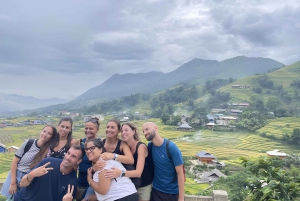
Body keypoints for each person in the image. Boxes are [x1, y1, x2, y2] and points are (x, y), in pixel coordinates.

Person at [82, 119, 134, 201]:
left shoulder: (122, 144)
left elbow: (130, 160)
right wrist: (95, 167)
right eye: (108, 127)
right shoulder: (102, 142)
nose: (109, 129)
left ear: (118, 131)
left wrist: (113, 155)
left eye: (112, 127)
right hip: (103, 179)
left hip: (119, 179)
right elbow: (95, 160)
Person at [0, 126, 57, 198]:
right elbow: (14, 162)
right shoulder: (28, 143)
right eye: (44, 131)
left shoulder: (48, 152)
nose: (45, 134)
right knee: (10, 199)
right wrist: (13, 183)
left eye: (49, 133)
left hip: (29, 181)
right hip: (15, 176)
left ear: (52, 137)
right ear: (41, 131)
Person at [14, 145, 84, 201]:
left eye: (73, 156)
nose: (68, 157)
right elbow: (22, 184)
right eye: (68, 153)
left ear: (78, 161)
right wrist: (32, 174)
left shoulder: (72, 183)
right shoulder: (47, 162)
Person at [104, 122, 153, 201]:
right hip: (130, 185)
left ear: (133, 132)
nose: (123, 133)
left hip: (143, 186)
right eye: (122, 131)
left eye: (126, 130)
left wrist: (120, 173)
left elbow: (138, 173)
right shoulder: (123, 146)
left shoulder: (141, 147)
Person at [142, 122, 184, 201]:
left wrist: (181, 198)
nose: (145, 133)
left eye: (147, 129)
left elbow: (180, 173)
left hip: (172, 192)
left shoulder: (171, 147)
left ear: (156, 128)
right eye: (143, 131)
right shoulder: (150, 146)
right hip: (156, 191)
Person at [76, 117, 101, 201]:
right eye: (86, 128)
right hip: (80, 181)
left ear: (97, 130)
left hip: (94, 182)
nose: (88, 130)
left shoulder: (101, 143)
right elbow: (75, 164)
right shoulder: (80, 142)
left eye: (91, 128)